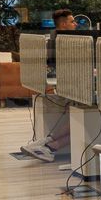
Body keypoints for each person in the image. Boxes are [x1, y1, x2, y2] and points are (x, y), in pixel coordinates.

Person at [21, 9, 78, 162]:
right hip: (71, 83)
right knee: (83, 120)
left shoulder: (55, 39)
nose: (76, 24)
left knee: (79, 119)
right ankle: (49, 146)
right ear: (64, 24)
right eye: (72, 21)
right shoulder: (63, 42)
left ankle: (46, 144)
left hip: (66, 82)